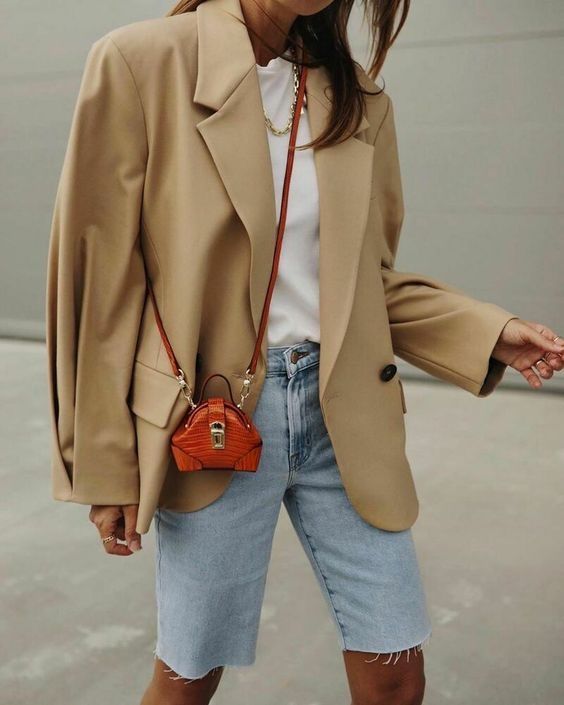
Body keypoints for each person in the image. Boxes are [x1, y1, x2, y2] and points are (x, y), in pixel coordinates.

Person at [45, 0, 564, 703]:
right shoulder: (143, 64)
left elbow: (366, 284)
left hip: (343, 415)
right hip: (214, 418)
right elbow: (97, 281)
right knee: (188, 679)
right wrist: (103, 462)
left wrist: (487, 331)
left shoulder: (355, 98)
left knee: (397, 676)